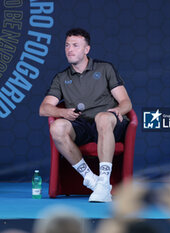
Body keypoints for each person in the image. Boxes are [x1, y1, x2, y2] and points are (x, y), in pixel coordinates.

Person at [39, 28, 132, 202]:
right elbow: (44, 108)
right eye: (67, 45)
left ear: (86, 49)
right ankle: (91, 179)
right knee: (57, 127)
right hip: (81, 126)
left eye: (75, 45)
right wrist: (62, 112)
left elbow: (126, 102)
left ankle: (104, 181)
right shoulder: (61, 77)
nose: (69, 49)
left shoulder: (105, 68)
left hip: (109, 123)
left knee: (102, 118)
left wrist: (119, 110)